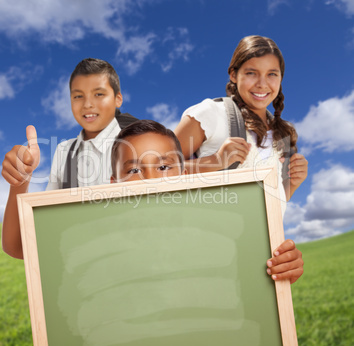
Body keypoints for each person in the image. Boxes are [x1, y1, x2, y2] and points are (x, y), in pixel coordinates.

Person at [111, 119, 304, 284]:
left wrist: (284, 267)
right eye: (134, 171)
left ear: (184, 176)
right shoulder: (105, 245)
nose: (151, 180)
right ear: (112, 184)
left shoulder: (221, 235)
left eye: (163, 167)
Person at [1, 58, 136, 259]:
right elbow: (20, 246)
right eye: (78, 96)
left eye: (99, 94)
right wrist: (20, 181)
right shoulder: (65, 152)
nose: (88, 104)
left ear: (118, 99)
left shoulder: (141, 143)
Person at [174, 35, 308, 205]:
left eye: (272, 74)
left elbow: (274, 205)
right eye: (251, 73)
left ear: (280, 78)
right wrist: (215, 161)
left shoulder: (282, 133)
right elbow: (155, 171)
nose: (262, 83)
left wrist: (293, 183)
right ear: (233, 75)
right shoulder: (211, 113)